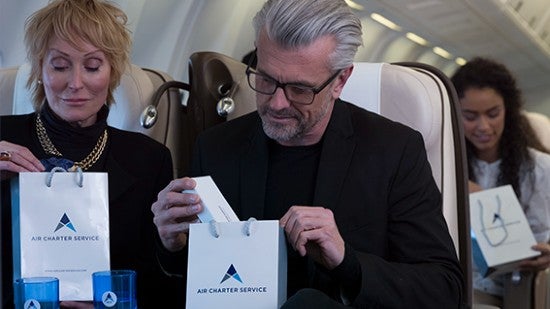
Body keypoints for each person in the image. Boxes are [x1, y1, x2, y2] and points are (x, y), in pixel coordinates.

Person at [152, 0, 464, 307]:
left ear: (340, 81)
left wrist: (347, 261)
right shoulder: (216, 148)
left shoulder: (393, 151)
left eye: (300, 89)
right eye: (265, 79)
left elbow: (444, 290)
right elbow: (198, 287)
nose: (276, 104)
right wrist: (174, 247)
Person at [0, 0, 184, 308]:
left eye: (92, 66)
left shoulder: (150, 159)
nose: (75, 83)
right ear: (40, 69)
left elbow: (162, 285)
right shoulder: (4, 140)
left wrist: (173, 245)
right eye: (59, 65)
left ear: (112, 72)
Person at [451, 57, 550, 306]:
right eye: (470, 116)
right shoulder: (444, 166)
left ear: (509, 110)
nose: (483, 126)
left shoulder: (539, 168)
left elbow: (541, 237)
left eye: (493, 114)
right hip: (454, 284)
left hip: (513, 288)